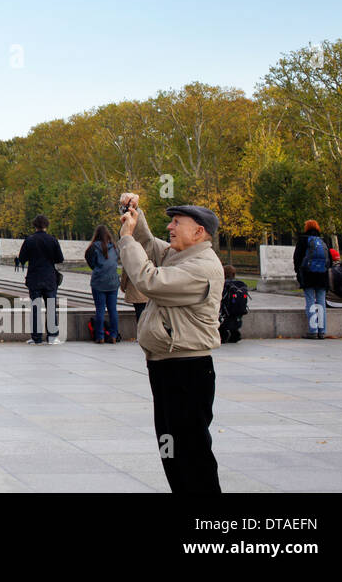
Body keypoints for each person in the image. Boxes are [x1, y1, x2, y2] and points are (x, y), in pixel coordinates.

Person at [118, 192, 224, 494]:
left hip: (187, 370)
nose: (170, 227)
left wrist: (126, 239)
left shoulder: (202, 267)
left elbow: (148, 279)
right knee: (173, 452)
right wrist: (135, 214)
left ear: (199, 232)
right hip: (169, 366)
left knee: (191, 454)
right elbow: (149, 245)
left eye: (177, 222)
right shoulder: (182, 255)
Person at [17, 214, 63, 344]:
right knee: (51, 307)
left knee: (35, 308)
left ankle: (36, 338)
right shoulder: (53, 240)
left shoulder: (29, 240)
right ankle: (52, 337)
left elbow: (22, 258)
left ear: (35, 226)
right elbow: (60, 258)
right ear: (46, 225)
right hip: (49, 278)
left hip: (35, 278)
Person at [293, 220, 330, 339]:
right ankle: (322, 331)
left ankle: (313, 330)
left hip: (308, 275)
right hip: (322, 275)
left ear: (306, 228)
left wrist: (298, 272)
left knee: (310, 301)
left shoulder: (303, 240)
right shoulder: (322, 240)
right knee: (321, 302)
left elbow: (297, 258)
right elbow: (329, 259)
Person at [85, 225, 121, 343]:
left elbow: (90, 261)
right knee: (113, 310)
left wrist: (97, 269)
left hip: (99, 282)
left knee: (100, 309)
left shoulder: (93, 247)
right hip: (113, 282)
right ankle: (114, 335)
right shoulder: (114, 247)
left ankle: (100, 336)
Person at [219, 264, 249, 343]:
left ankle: (223, 336)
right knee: (234, 322)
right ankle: (235, 335)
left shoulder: (224, 284)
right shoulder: (240, 284)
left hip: (226, 310)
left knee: (224, 323)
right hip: (238, 310)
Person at [119, 257, 149, 325]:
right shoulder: (148, 256)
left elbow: (125, 274)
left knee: (139, 312)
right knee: (145, 312)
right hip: (147, 289)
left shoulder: (130, 257)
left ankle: (140, 329)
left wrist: (123, 286)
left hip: (135, 289)